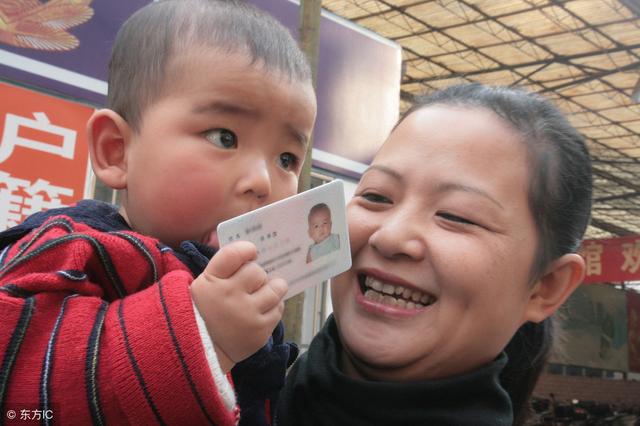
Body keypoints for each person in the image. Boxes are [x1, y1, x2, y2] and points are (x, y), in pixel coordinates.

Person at [0, 1, 316, 425]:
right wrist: (201, 335)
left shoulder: (250, 293)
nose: (263, 181)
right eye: (225, 137)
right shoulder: (69, 251)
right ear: (118, 150)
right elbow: (20, 397)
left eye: (286, 158)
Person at [277, 83, 592, 426]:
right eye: (377, 196)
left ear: (545, 287)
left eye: (456, 216)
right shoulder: (236, 390)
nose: (392, 237)